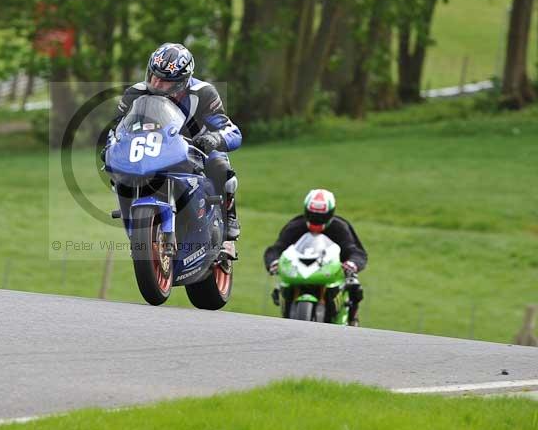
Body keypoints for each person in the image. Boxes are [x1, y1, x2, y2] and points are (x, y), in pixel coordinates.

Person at [106, 43, 242, 241]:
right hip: (152, 149)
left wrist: (215, 138)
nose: (156, 84)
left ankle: (229, 215)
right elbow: (116, 128)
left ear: (181, 81)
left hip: (198, 147)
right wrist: (111, 147)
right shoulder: (134, 93)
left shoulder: (204, 93)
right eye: (153, 76)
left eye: (164, 81)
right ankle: (136, 226)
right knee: (121, 174)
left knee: (220, 166)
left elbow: (231, 130)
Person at [263, 189, 366, 325]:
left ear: (330, 213)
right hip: (301, 269)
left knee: (354, 287)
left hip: (330, 271)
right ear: (306, 211)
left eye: (321, 216)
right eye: (312, 215)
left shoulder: (340, 227)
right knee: (282, 285)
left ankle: (353, 319)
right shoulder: (296, 226)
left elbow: (355, 251)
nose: (316, 220)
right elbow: (277, 248)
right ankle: (286, 309)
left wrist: (352, 263)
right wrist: (274, 262)